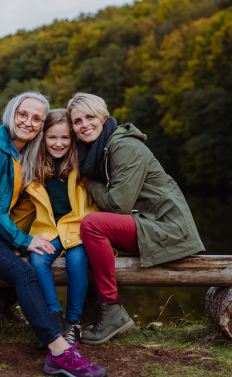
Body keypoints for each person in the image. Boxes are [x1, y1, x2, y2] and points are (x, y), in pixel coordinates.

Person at [0, 92, 107, 377]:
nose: (28, 122)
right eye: (23, 114)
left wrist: (34, 237)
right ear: (11, 113)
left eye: (36, 119)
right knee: (26, 272)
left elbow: (17, 205)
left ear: (41, 126)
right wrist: (23, 240)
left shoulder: (21, 153)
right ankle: (59, 351)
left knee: (29, 260)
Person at [67, 93, 205, 344]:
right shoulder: (101, 150)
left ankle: (112, 310)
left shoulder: (124, 146)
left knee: (92, 225)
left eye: (90, 117)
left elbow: (118, 205)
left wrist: (88, 182)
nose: (84, 124)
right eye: (77, 121)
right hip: (149, 223)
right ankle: (89, 313)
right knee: (81, 235)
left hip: (169, 229)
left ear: (104, 118)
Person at [10, 109, 112, 346]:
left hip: (79, 230)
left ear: (73, 139)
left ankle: (74, 321)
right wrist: (9, 234)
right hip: (50, 231)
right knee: (38, 259)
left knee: (77, 261)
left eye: (65, 138)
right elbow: (24, 209)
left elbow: (98, 199)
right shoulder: (35, 170)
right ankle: (55, 318)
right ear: (42, 138)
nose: (58, 144)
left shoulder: (82, 167)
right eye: (52, 138)